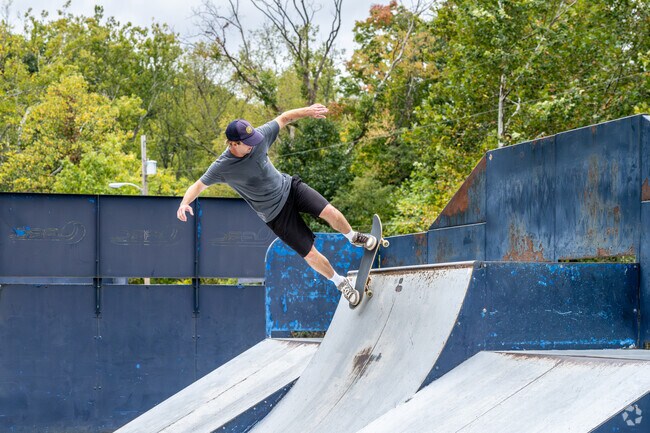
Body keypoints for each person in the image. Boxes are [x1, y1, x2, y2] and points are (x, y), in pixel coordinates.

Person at [176, 104, 376, 306]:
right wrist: (184, 203)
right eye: (247, 144)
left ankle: (353, 236)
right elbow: (198, 185)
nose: (253, 145)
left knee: (329, 212)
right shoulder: (222, 166)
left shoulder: (259, 138)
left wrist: (309, 111)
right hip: (275, 215)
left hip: (290, 188)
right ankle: (340, 283)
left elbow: (284, 118)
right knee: (310, 254)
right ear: (233, 144)